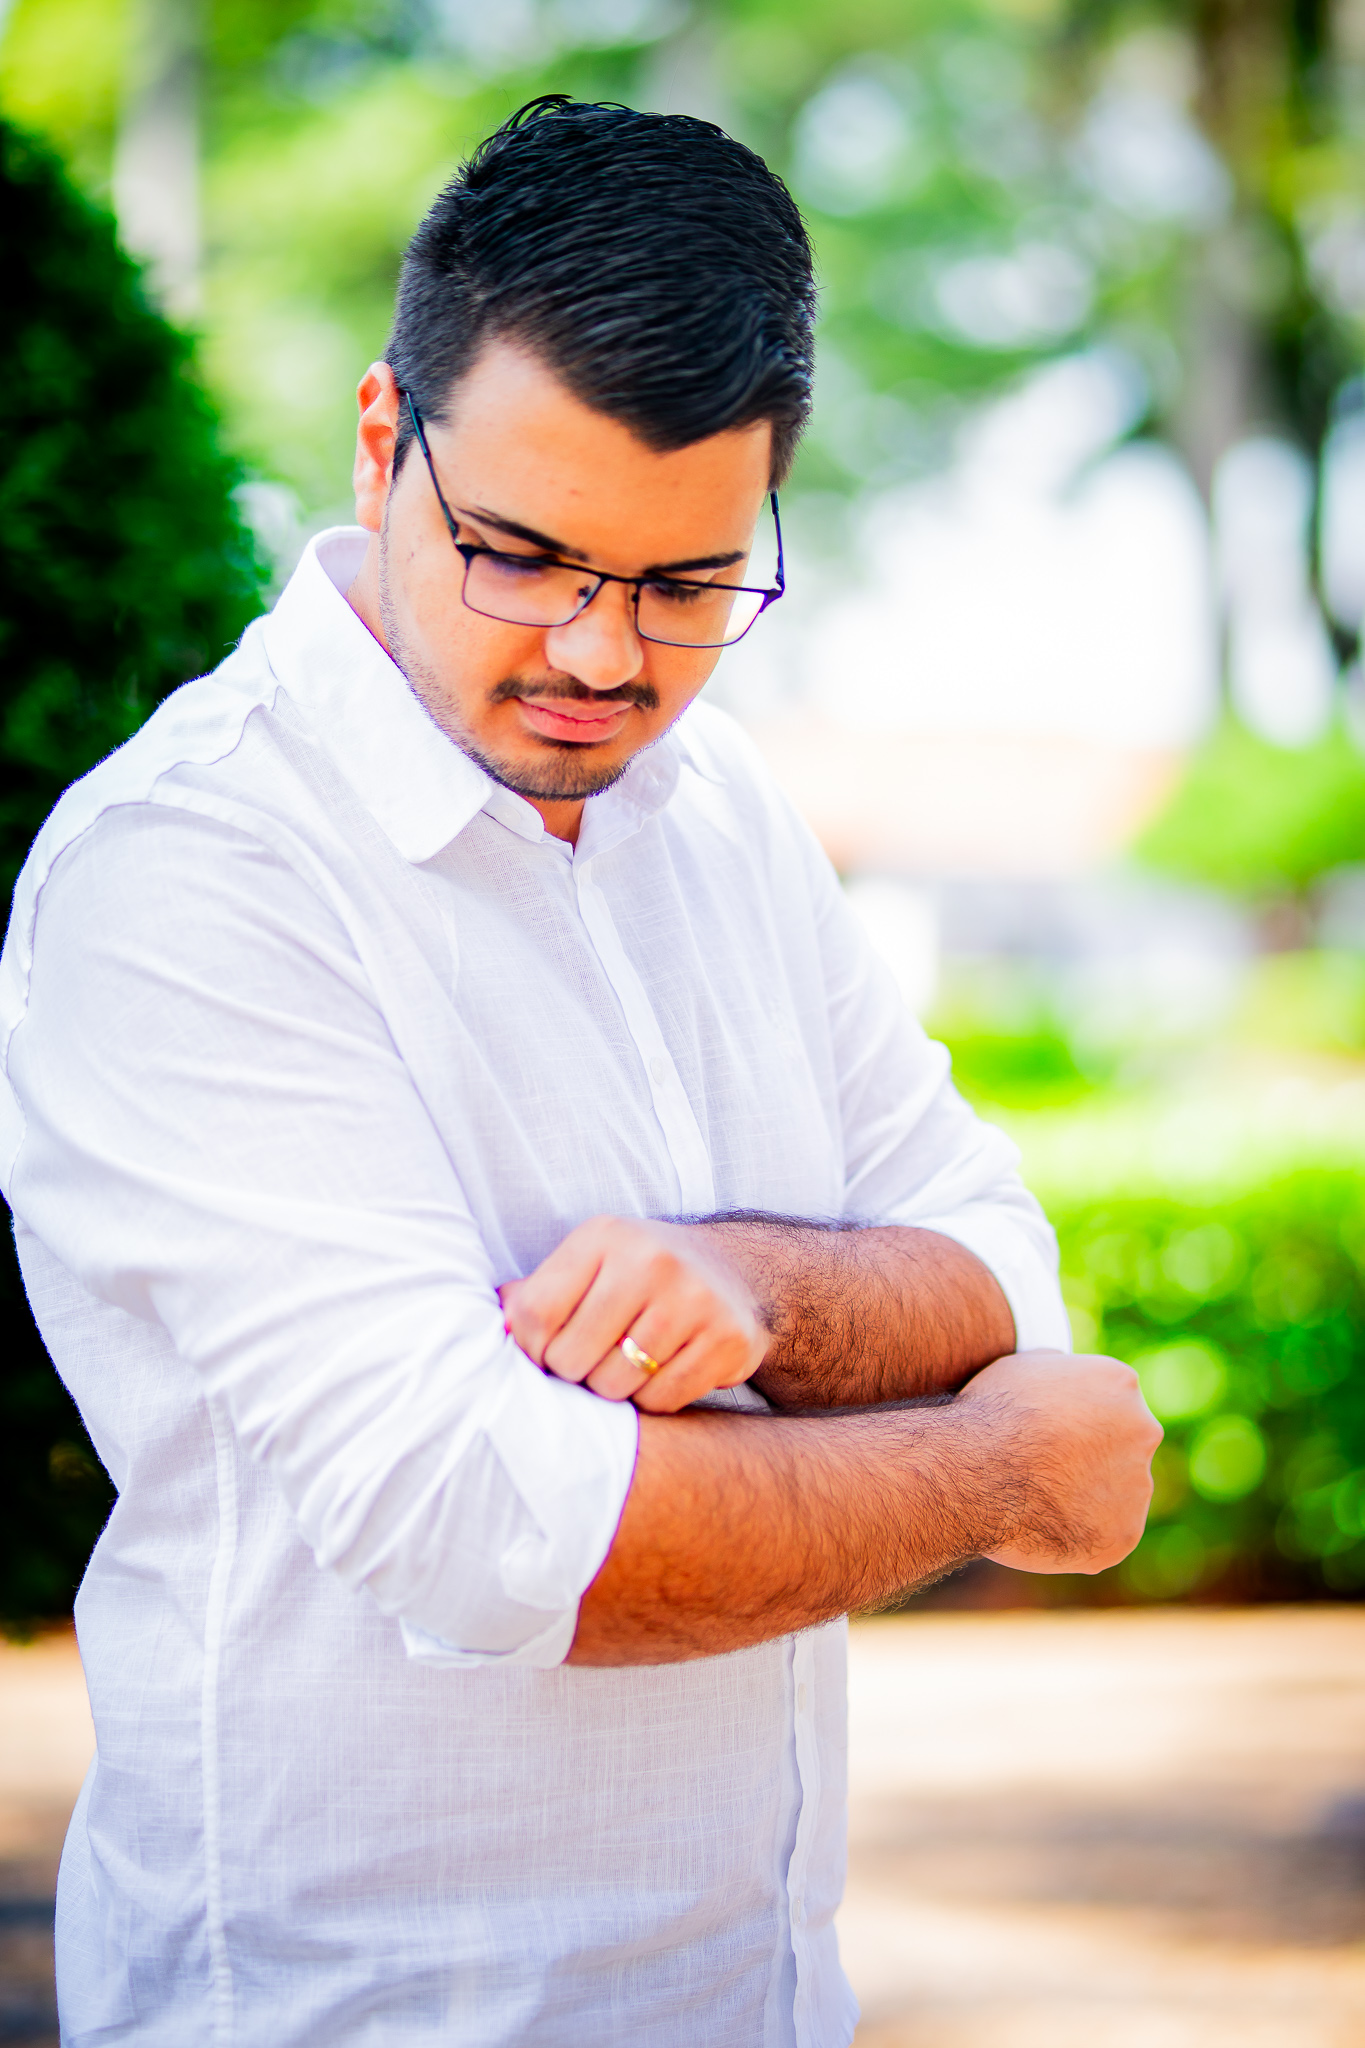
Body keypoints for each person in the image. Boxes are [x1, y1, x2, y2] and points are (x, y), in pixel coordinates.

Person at [0, 97, 1159, 2047]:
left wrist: (752, 1286)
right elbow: (494, 1528)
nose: (602, 658)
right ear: (382, 439)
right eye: (522, 556)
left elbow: (992, 1256)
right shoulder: (188, 872)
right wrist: (992, 1469)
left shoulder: (720, 810)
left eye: (684, 583)